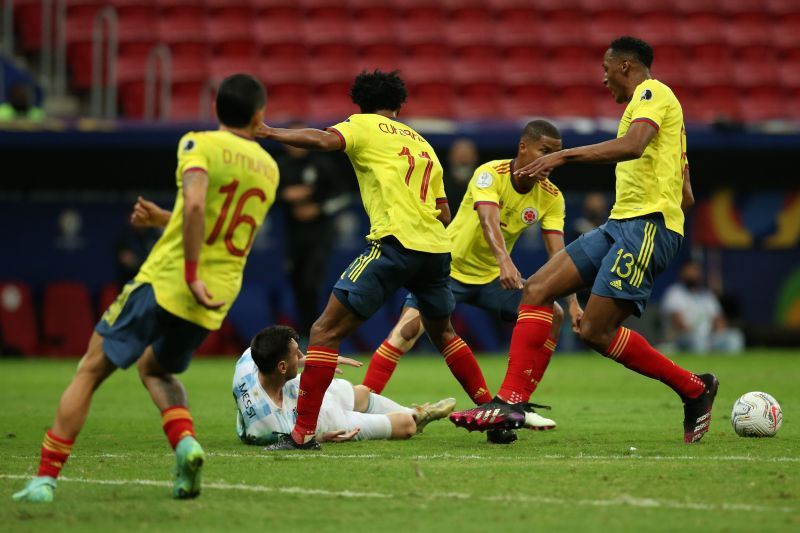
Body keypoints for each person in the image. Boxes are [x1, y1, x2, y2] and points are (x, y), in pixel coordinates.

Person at [12, 74, 280, 503]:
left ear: (216, 110)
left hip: (169, 279)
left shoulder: (199, 143)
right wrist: (164, 220)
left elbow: (196, 204)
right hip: (217, 294)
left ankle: (45, 478)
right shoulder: (269, 168)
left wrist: (189, 271)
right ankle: (186, 444)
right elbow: (213, 217)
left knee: (90, 369)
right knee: (156, 369)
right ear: (260, 115)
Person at [449, 36, 719, 444]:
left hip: (646, 227)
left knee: (594, 331)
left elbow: (633, 146)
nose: (604, 78)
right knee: (537, 288)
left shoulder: (652, 93)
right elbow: (687, 195)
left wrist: (562, 156)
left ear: (625, 66)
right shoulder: (654, 110)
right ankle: (512, 401)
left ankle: (695, 389)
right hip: (620, 224)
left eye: (606, 69)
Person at [255, 70, 489, 451]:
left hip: (395, 244)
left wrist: (271, 133)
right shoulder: (423, 143)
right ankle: (492, 412)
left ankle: (302, 434)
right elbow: (444, 212)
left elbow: (322, 139)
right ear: (399, 105)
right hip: (435, 249)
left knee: (325, 331)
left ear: (359, 104)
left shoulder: (363, 126)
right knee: (443, 332)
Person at [362, 120, 583, 437]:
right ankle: (360, 404)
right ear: (523, 147)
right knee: (406, 332)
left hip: (492, 279)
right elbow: (488, 218)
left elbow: (558, 253)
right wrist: (505, 260)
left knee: (553, 315)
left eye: (556, 155)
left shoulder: (551, 196)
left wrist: (573, 300)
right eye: (544, 151)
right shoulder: (490, 174)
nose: (550, 161)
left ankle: (514, 405)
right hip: (446, 269)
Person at [234, 326, 455, 445]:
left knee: (361, 394)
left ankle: (420, 413)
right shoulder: (266, 425)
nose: (302, 355)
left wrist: (313, 361)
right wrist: (321, 437)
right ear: (282, 367)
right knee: (405, 425)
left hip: (305, 386)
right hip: (326, 420)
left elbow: (264, 352)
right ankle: (415, 416)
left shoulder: (247, 364)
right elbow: (291, 440)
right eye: (297, 354)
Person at [276, 121, 350, 340]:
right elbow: (265, 195)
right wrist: (284, 196)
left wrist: (318, 209)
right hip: (292, 237)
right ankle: (303, 335)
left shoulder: (322, 164)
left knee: (312, 284)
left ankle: (317, 334)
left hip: (320, 237)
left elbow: (343, 196)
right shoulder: (280, 167)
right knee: (297, 285)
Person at [661, 261, 744, 353]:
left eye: (696, 271)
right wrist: (699, 334)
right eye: (690, 271)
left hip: (709, 337)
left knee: (734, 337)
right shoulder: (675, 292)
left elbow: (718, 319)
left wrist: (718, 331)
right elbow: (679, 323)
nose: (694, 275)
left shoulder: (706, 295)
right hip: (683, 338)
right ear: (682, 273)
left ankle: (727, 366)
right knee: (698, 340)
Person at [443, 138, 479, 215]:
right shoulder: (440, 184)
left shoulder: (483, 185)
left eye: (467, 155)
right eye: (460, 156)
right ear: (450, 157)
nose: (463, 160)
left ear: (475, 158)